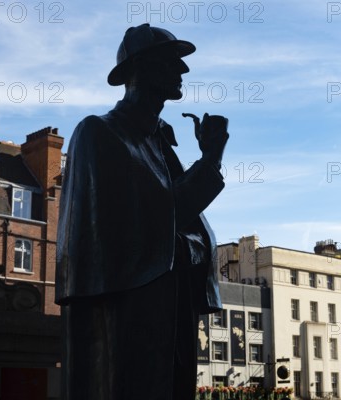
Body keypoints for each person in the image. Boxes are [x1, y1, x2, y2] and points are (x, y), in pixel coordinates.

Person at [55, 23, 229, 400]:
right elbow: (153, 219)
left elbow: (183, 222)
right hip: (129, 311)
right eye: (171, 61)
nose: (183, 71)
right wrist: (210, 161)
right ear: (140, 68)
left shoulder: (162, 143)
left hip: (176, 302)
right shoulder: (99, 133)